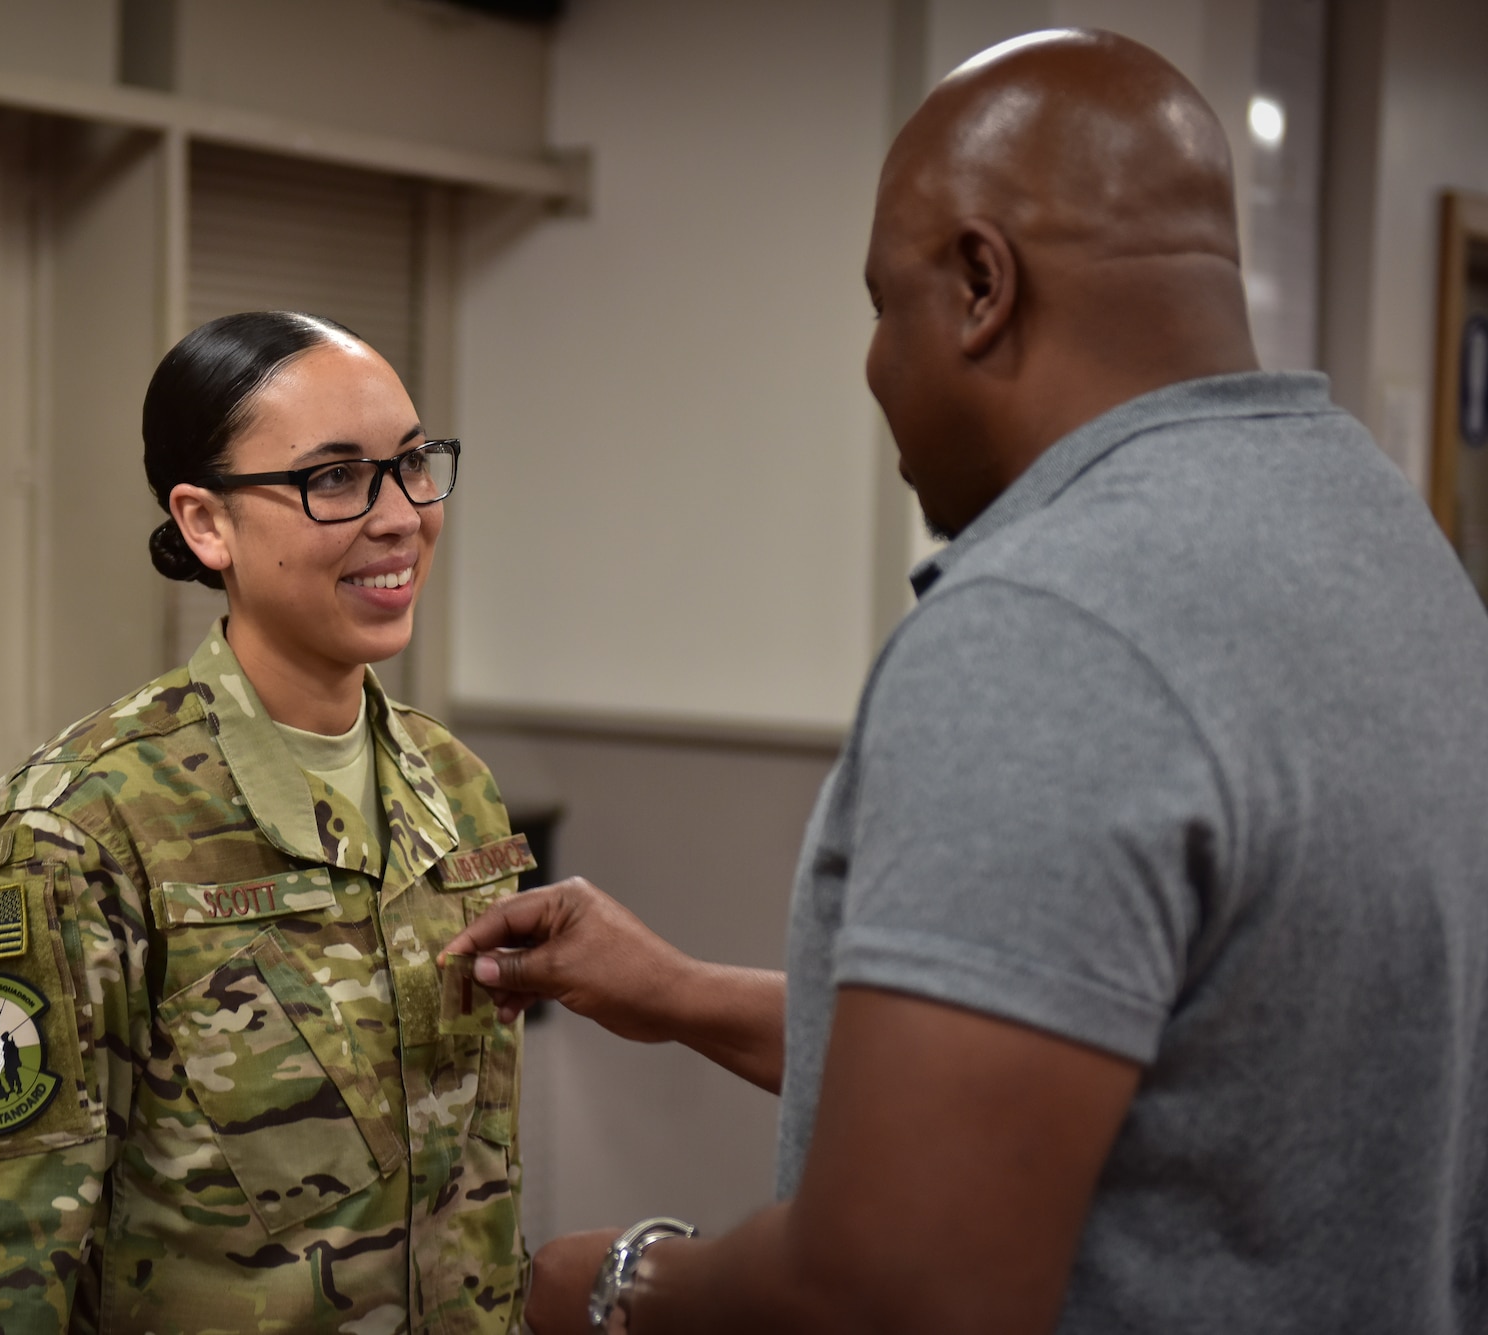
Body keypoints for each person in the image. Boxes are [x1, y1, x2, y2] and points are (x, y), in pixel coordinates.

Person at [445, 29, 1488, 1335]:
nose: (877, 367)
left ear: (983, 283)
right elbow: (1098, 1051)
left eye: (885, 308)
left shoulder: (1050, 626)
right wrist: (675, 993)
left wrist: (611, 1285)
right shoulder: (1382, 539)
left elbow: (900, 1289)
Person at [0, 311, 532, 1334]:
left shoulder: (455, 791)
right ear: (205, 523)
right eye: (334, 478)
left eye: (411, 463)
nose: (400, 514)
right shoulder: (77, 831)